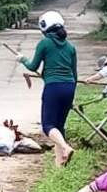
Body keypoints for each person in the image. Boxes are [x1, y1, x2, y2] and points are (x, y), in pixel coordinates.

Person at [20, 10, 78, 166]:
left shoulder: (44, 43)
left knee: (48, 126)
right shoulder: (71, 47)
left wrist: (22, 59)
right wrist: (72, 96)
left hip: (53, 87)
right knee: (59, 127)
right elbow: (75, 74)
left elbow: (33, 66)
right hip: (69, 87)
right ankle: (60, 164)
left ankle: (66, 147)